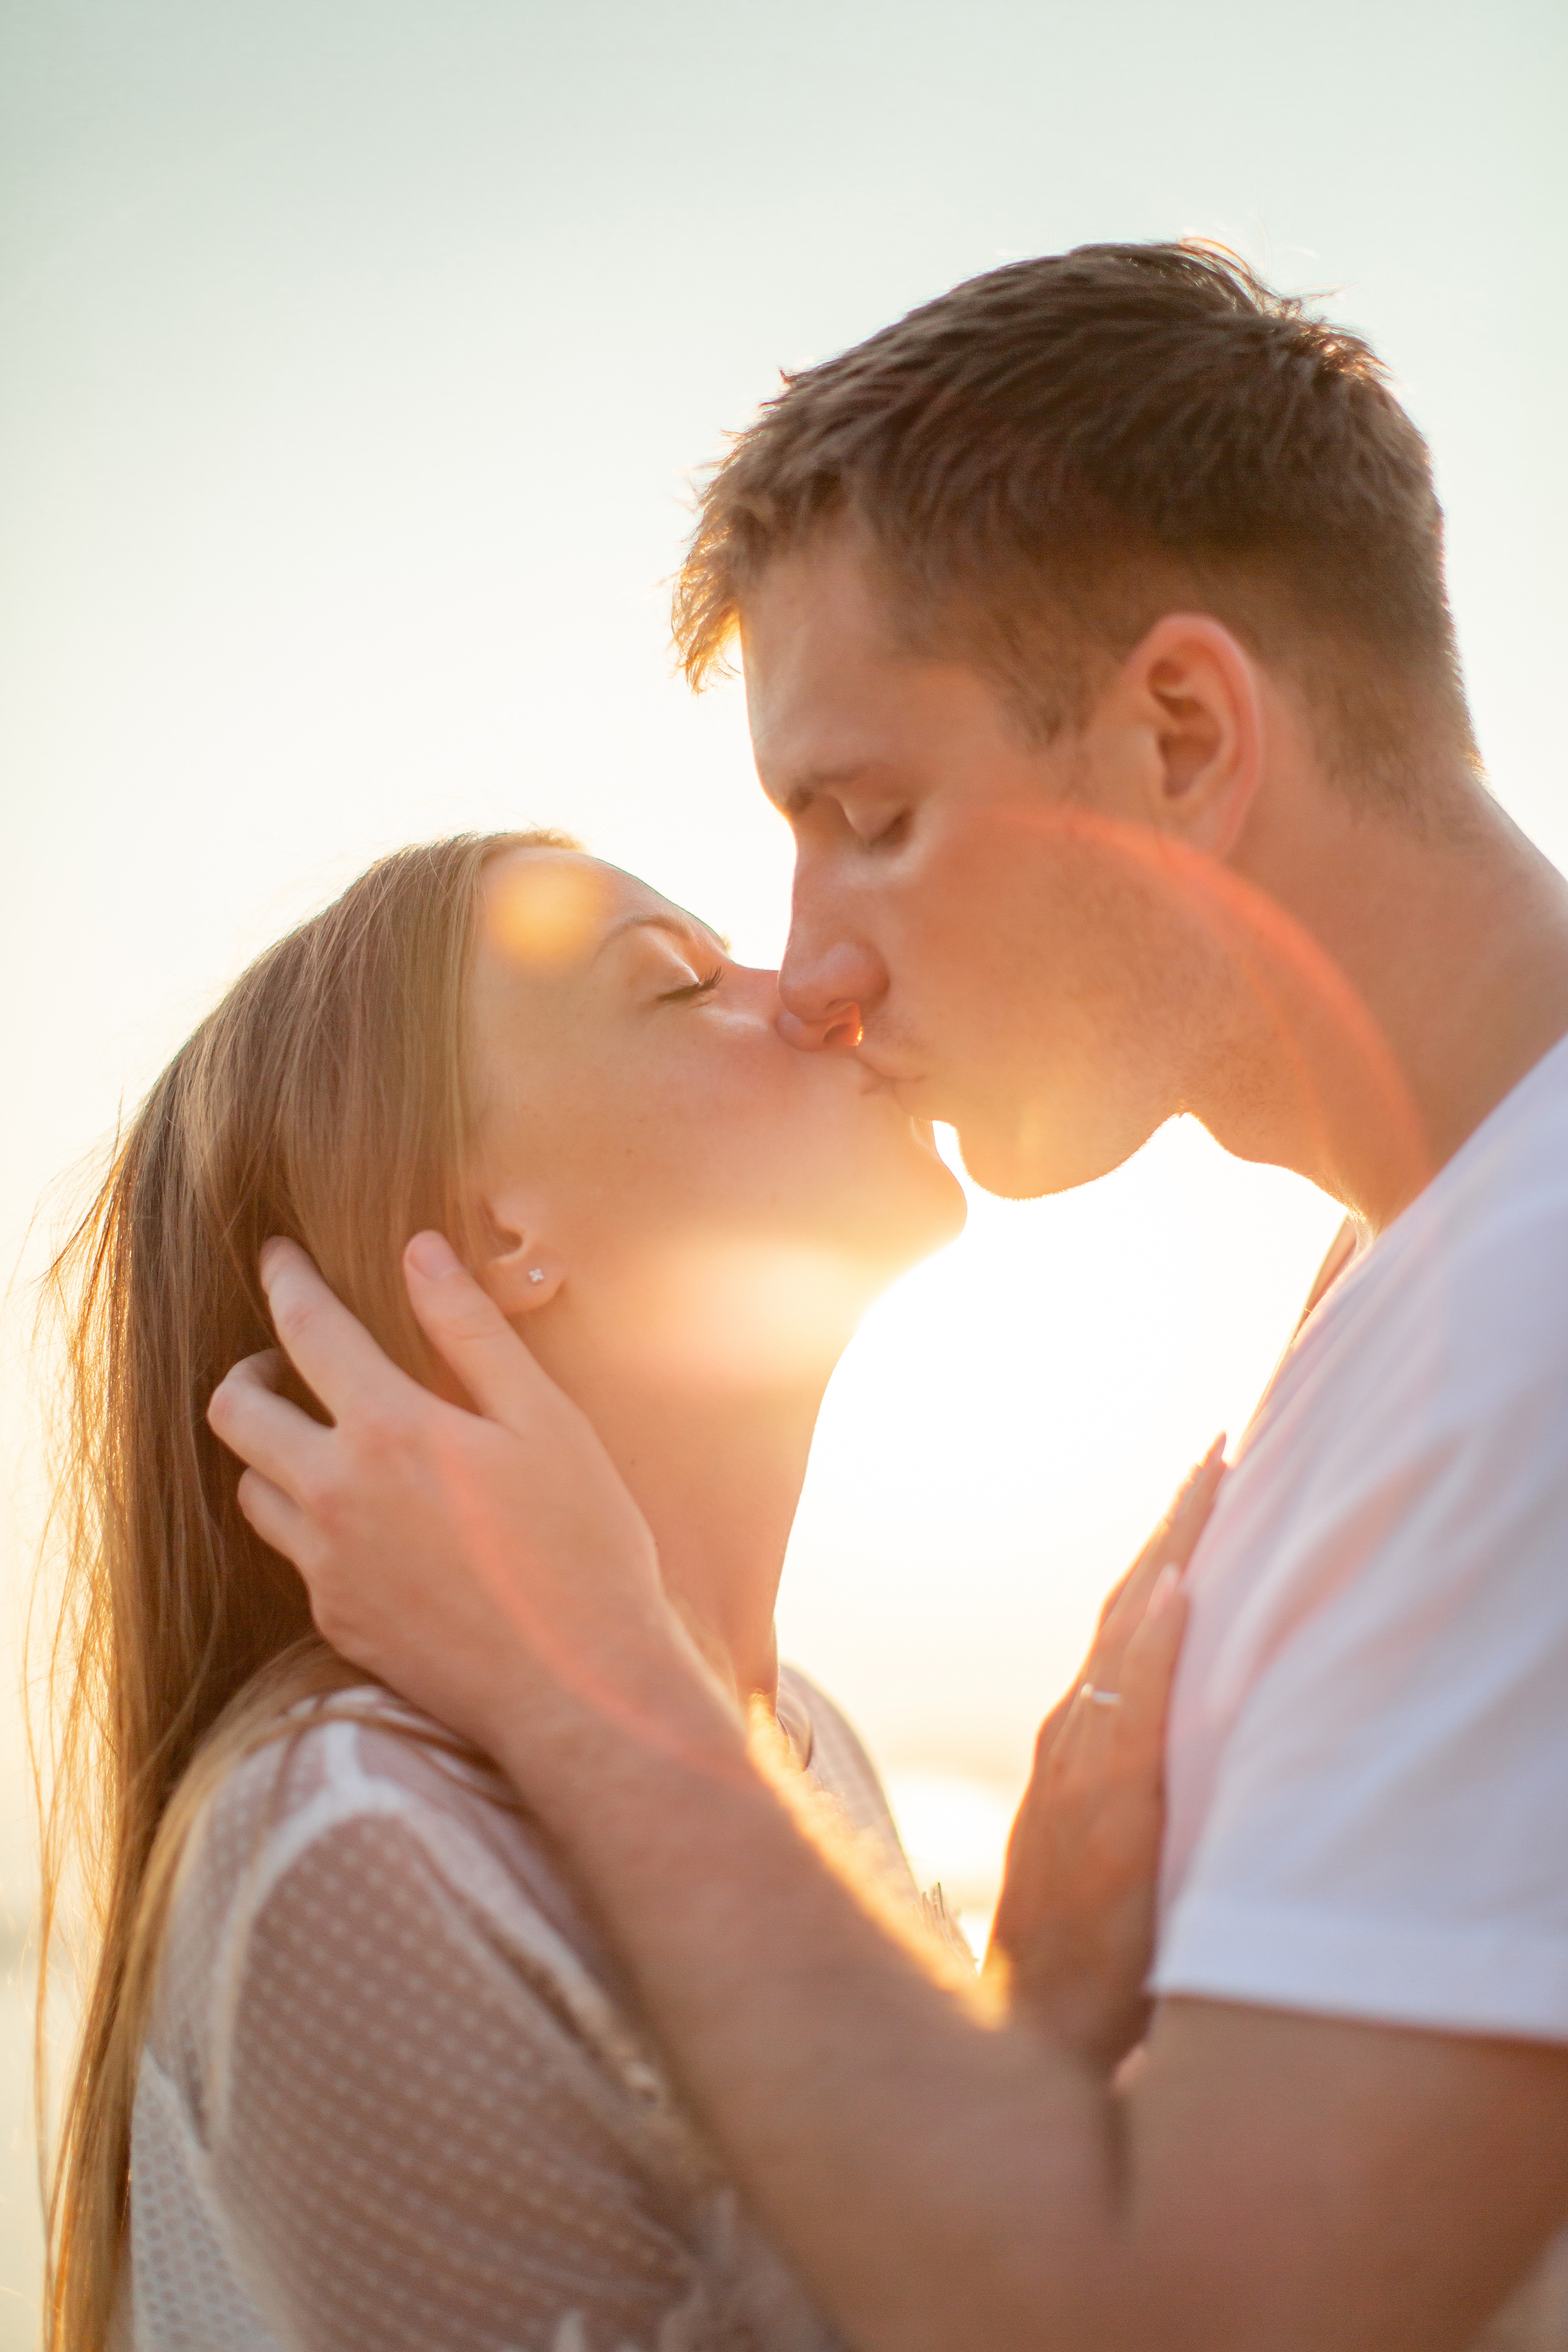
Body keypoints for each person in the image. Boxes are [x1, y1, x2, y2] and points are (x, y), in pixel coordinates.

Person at [213, 242, 1568, 2350]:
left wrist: (594, 1689)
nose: (816, 969)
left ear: (1185, 733)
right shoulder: (1398, 1295)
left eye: (871, 820)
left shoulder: (1525, 1325)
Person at [40, 828, 1210, 2352]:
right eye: (676, 985)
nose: (814, 994)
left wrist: (1030, 2015)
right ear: (496, 1240)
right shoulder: (355, 1839)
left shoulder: (799, 1742)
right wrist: (1046, 2023)